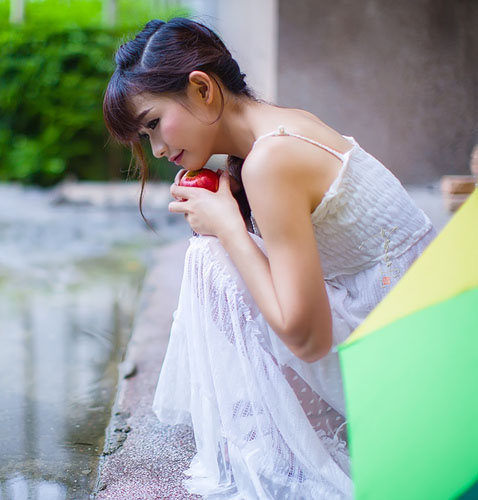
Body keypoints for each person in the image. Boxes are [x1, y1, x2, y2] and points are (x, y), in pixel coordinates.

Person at [102, 17, 437, 499]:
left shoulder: (270, 161)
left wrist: (229, 228)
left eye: (154, 124)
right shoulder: (280, 128)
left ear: (202, 88)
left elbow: (308, 338)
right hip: (407, 321)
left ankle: (287, 449)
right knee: (221, 250)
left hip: (402, 355)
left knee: (209, 258)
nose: (157, 150)